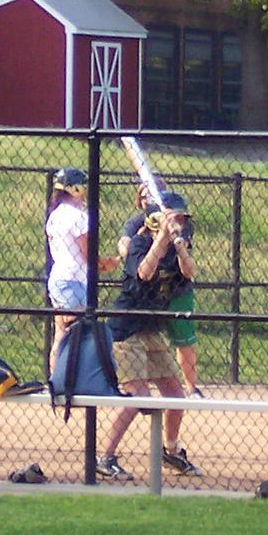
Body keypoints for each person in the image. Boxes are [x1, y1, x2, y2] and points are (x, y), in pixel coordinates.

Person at [97, 191, 201, 480]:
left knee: (175, 394)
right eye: (173, 219)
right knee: (137, 395)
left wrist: (179, 248)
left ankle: (170, 450)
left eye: (181, 219)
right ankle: (105, 458)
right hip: (126, 328)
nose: (179, 224)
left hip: (151, 328)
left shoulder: (179, 247)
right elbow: (144, 273)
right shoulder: (140, 243)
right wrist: (161, 240)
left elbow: (190, 273)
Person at [44, 167, 116, 372]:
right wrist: (105, 264)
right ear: (75, 188)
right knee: (75, 332)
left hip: (60, 278)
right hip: (73, 281)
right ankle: (69, 380)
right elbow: (88, 254)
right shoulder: (77, 216)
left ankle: (57, 380)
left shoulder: (55, 214)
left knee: (61, 333)